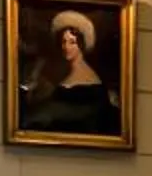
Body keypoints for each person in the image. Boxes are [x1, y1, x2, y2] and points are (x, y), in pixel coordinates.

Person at [18, 8, 120, 138]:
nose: (66, 47)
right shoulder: (61, 73)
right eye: (64, 42)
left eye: (72, 42)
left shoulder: (89, 80)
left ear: (81, 44)